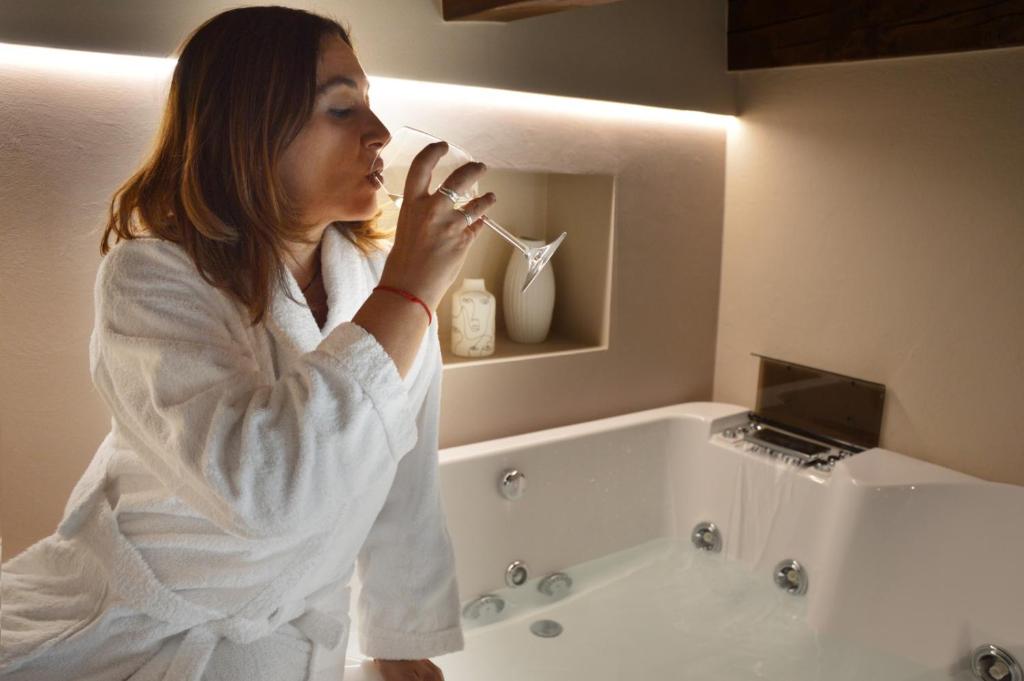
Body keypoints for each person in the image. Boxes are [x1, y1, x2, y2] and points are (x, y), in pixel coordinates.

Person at [0, 6, 496, 681]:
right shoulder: (150, 279)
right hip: (134, 622)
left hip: (289, 638)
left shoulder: (380, 283)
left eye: (369, 104)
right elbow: (264, 493)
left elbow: (403, 480)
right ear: (250, 130)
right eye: (341, 109)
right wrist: (407, 294)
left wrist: (402, 640)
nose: (380, 131)